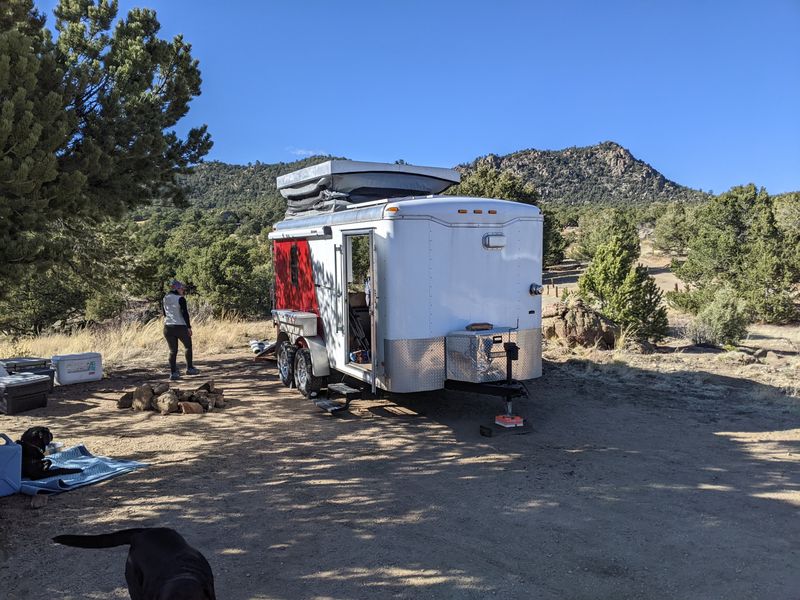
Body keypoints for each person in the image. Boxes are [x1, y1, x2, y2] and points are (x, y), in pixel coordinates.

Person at [162, 279, 199, 380]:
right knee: (188, 346)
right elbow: (185, 313)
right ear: (176, 288)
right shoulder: (180, 299)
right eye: (181, 288)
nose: (183, 290)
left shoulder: (165, 298)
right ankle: (190, 368)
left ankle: (173, 373)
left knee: (172, 350)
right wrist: (189, 327)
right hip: (180, 326)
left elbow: (164, 313)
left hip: (168, 327)